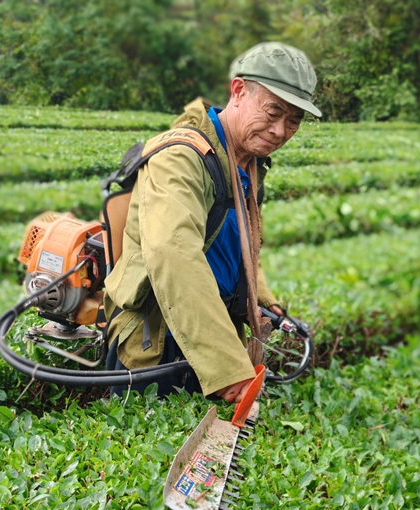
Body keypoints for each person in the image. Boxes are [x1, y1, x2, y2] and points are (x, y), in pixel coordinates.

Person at [102, 42, 322, 404]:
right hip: (155, 343)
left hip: (209, 332)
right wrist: (226, 368)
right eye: (273, 111)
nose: (281, 130)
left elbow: (241, 242)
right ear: (238, 91)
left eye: (294, 120)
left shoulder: (248, 162)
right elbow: (174, 253)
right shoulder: (182, 158)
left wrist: (264, 299)